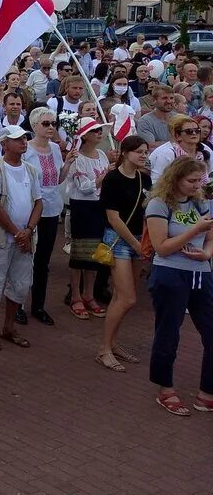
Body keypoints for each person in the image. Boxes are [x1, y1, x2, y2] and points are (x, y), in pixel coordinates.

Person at [142, 155, 213, 415]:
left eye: (199, 181)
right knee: (169, 332)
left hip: (201, 274)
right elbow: (161, 247)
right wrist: (194, 230)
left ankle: (207, 392)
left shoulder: (200, 203)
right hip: (170, 274)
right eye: (191, 181)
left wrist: (207, 253)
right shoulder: (159, 204)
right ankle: (165, 389)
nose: (196, 186)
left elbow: (210, 238)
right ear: (176, 178)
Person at [0, 126, 42, 352]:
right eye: (17, 139)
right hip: (2, 238)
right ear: (4, 144)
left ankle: (8, 327)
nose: (23, 142)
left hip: (24, 237)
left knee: (21, 284)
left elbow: (38, 202)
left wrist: (29, 230)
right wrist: (18, 232)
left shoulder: (32, 170)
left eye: (25, 138)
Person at [97, 135, 152, 372]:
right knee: (127, 297)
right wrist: (136, 244)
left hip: (140, 239)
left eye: (145, 152)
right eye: (139, 151)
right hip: (119, 240)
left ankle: (112, 344)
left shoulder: (145, 178)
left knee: (122, 297)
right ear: (125, 152)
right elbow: (113, 218)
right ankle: (104, 349)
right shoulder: (112, 179)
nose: (143, 155)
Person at [19, 107, 69, 326]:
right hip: (30, 211)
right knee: (24, 260)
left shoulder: (56, 150)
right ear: (34, 126)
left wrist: (68, 164)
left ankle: (38, 305)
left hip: (51, 210)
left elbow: (57, 179)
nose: (51, 128)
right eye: (46, 124)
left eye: (53, 123)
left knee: (43, 261)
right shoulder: (25, 150)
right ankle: (18, 304)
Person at [65, 117, 110, 320]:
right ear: (85, 136)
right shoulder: (77, 158)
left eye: (100, 130)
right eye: (95, 131)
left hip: (99, 207)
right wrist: (103, 177)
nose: (99, 133)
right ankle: (75, 296)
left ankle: (89, 295)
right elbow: (84, 187)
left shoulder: (101, 154)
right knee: (79, 255)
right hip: (82, 208)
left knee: (94, 255)